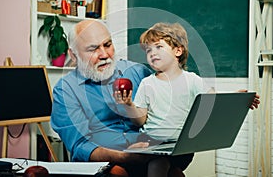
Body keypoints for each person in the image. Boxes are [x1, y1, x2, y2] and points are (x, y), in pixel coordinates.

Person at [114, 22, 260, 177]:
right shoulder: (147, 83)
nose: (152, 53)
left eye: (158, 47)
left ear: (178, 50)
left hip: (180, 146)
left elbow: (213, 102)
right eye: (148, 50)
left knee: (159, 163)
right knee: (155, 163)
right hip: (152, 144)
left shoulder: (192, 80)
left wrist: (236, 98)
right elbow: (140, 120)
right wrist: (129, 104)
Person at [50, 19, 186, 177]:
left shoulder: (138, 72)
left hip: (151, 156)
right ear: (73, 55)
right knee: (117, 173)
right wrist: (125, 156)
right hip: (107, 163)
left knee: (175, 173)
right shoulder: (65, 90)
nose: (104, 55)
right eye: (93, 49)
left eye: (107, 45)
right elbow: (81, 146)